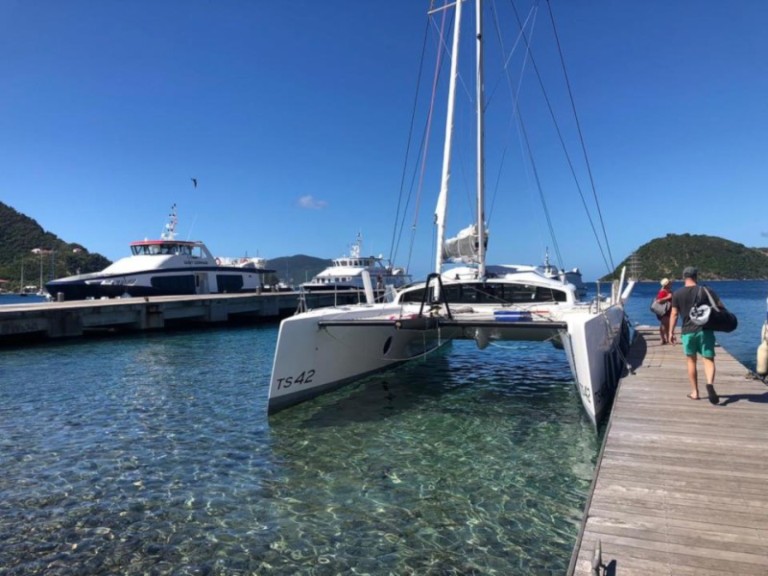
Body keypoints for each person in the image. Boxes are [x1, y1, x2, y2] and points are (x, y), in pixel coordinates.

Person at [668, 266, 722, 404]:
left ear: (683, 277)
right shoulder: (706, 290)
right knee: (708, 359)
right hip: (705, 330)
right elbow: (720, 307)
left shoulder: (677, 294)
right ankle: (709, 384)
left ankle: (695, 392)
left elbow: (674, 314)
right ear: (696, 276)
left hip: (687, 331)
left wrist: (671, 332)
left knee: (691, 361)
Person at [655, 278, 673, 344]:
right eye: (669, 283)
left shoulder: (668, 291)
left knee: (665, 325)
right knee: (664, 325)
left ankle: (665, 339)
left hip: (668, 310)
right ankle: (664, 339)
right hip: (664, 311)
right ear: (666, 284)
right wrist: (668, 297)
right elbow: (658, 301)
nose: (671, 284)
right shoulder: (663, 291)